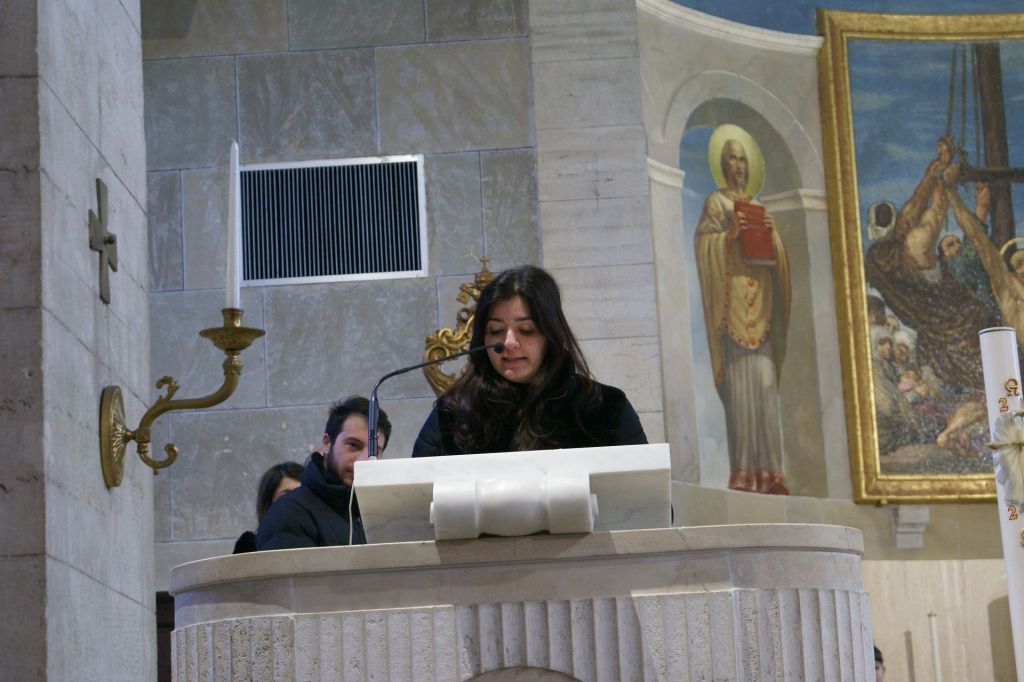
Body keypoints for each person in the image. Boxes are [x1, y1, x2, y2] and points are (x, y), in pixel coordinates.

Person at [411, 265, 646, 457]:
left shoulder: (606, 408)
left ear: (552, 334)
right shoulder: (452, 414)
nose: (509, 342)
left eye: (526, 330)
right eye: (495, 330)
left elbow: (649, 497)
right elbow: (416, 495)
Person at [695, 133, 791, 494]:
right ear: (723, 165)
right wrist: (729, 236)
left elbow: (778, 259)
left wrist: (773, 238)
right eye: (732, 159)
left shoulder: (759, 207)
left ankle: (772, 472)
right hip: (732, 307)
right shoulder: (716, 202)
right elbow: (704, 244)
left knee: (765, 387)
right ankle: (744, 471)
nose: (738, 165)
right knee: (739, 393)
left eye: (742, 159)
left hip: (762, 307)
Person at [256, 396, 391, 550]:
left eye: (374, 452)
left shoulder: (379, 516)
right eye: (353, 445)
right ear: (327, 444)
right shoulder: (289, 514)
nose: (363, 460)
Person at [233, 461, 304, 554]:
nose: (296, 503)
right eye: (286, 497)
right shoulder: (250, 547)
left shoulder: (320, 541)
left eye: (302, 495)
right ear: (269, 502)